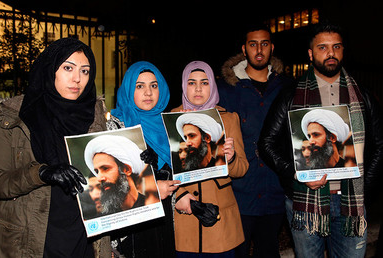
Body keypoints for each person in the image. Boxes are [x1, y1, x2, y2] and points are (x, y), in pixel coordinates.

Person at [258, 21, 383, 258]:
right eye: (323, 47)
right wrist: (297, 175)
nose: (331, 53)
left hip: (351, 202)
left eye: (336, 47)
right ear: (310, 53)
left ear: (343, 51)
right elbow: (267, 143)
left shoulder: (362, 96)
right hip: (306, 204)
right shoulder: (291, 95)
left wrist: (364, 186)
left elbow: (379, 145)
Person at [0, 37, 107, 257]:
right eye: (68, 68)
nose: (77, 79)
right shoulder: (12, 117)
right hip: (30, 242)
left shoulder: (95, 117)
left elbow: (108, 176)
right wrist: (40, 173)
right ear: (50, 69)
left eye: (85, 71)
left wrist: (140, 163)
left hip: (83, 241)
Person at [217, 23, 293, 258]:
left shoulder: (287, 86)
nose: (259, 49)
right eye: (253, 44)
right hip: (239, 191)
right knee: (236, 252)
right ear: (244, 48)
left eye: (264, 44)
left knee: (268, 250)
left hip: (275, 188)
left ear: (272, 48)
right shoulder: (225, 89)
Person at [172, 60, 248, 256]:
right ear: (183, 85)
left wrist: (231, 159)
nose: (198, 89)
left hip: (219, 220)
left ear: (213, 85)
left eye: (204, 82)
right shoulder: (171, 119)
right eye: (192, 82)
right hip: (185, 217)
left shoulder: (228, 119)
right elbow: (164, 168)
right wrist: (178, 195)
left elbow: (242, 169)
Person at [106, 61, 180, 257]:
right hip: (131, 229)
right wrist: (152, 188)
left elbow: (174, 181)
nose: (148, 92)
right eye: (140, 86)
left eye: (154, 86)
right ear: (129, 89)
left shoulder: (168, 127)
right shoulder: (115, 127)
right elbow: (109, 187)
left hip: (163, 224)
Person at [84, 134, 150, 215]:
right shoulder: (103, 218)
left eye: (105, 168)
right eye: (97, 171)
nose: (99, 178)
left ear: (126, 169)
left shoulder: (151, 205)